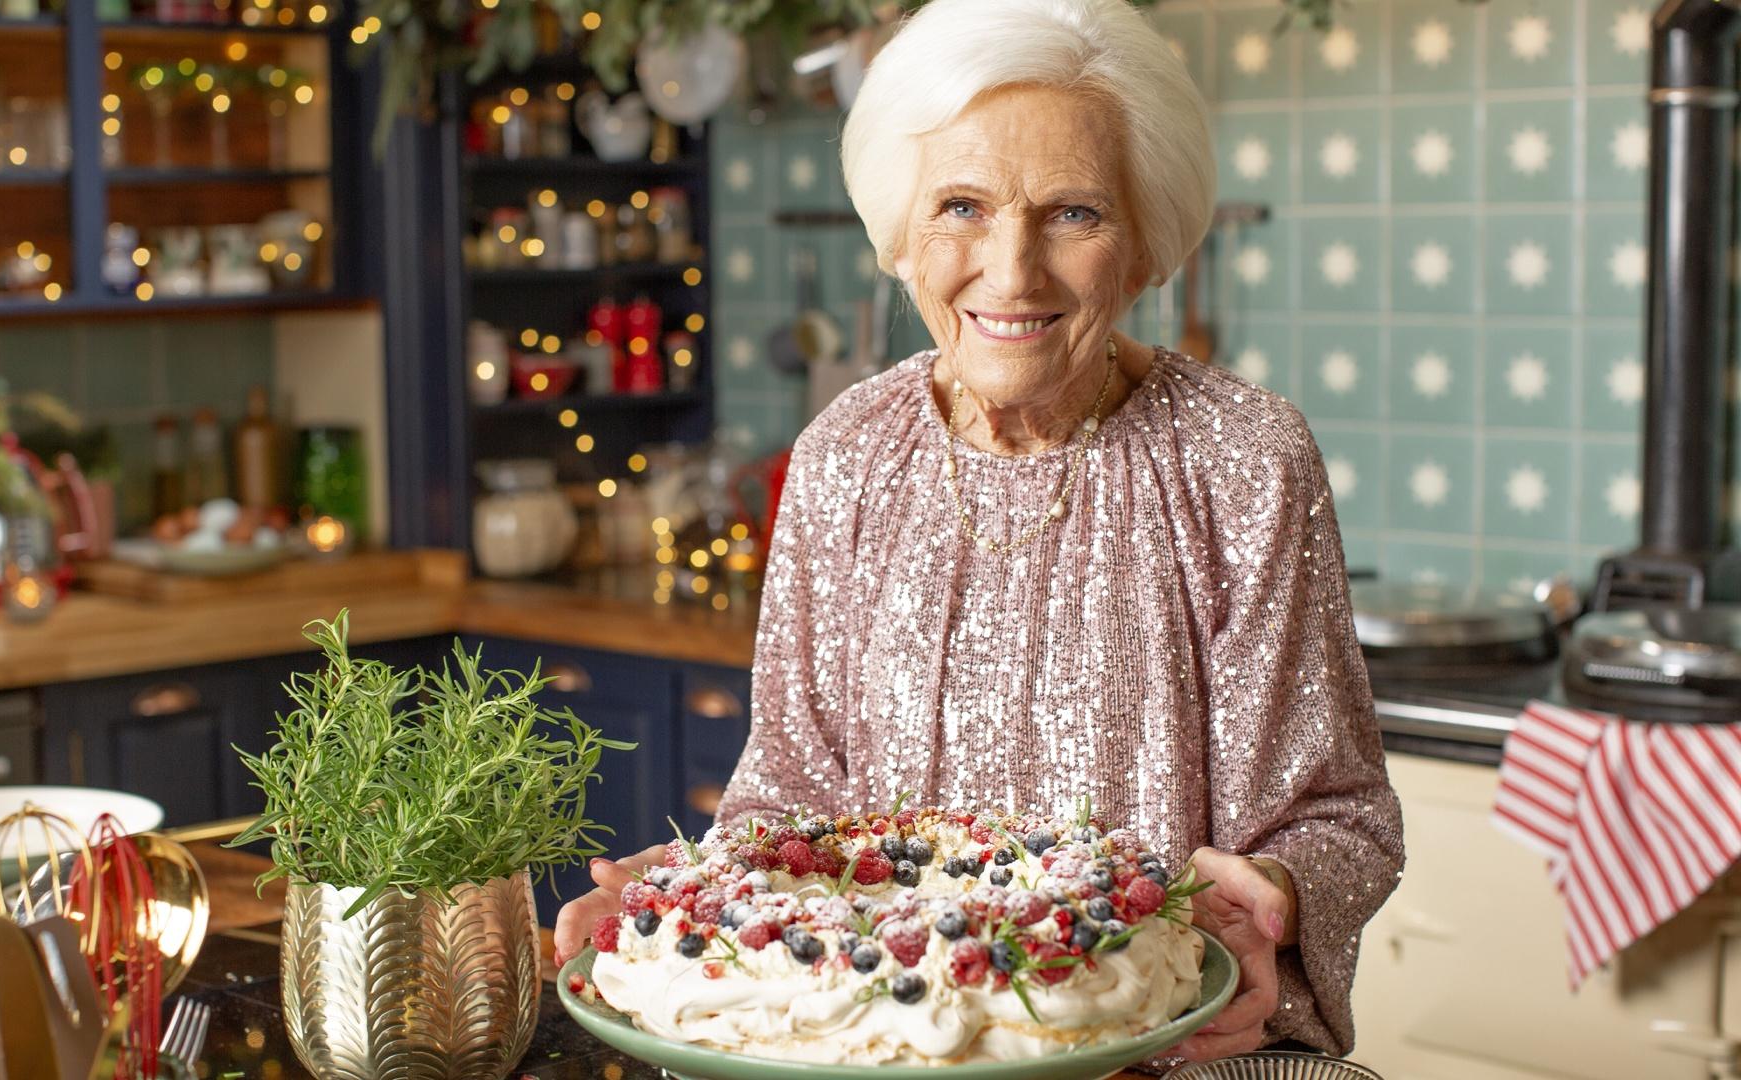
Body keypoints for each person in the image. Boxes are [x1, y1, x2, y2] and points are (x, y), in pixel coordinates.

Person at [557, 0, 1403, 1062]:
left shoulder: (1242, 461)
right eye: (960, 205)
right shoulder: (843, 460)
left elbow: (1339, 817)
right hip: (882, 1054)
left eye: (1074, 214)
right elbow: (789, 801)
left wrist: (1273, 895)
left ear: (1145, 245)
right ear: (900, 238)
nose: (1012, 271)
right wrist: (692, 909)